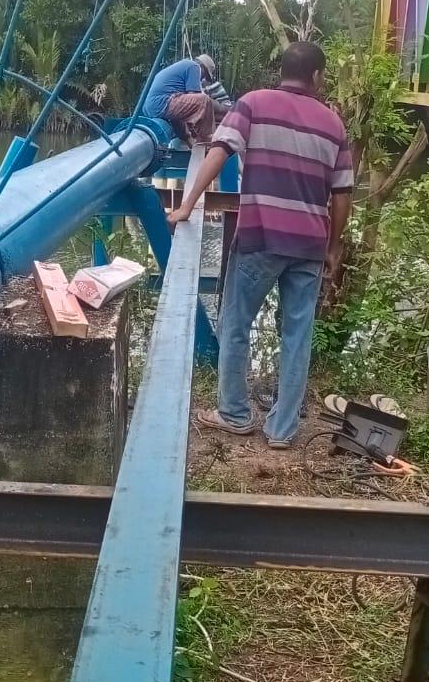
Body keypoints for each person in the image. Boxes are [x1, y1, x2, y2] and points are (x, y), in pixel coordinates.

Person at [167, 40, 353, 449]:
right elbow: (342, 194)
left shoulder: (252, 104)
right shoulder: (334, 124)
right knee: (297, 335)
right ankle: (282, 430)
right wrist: (334, 246)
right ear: (317, 76)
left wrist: (187, 205)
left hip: (260, 238)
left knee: (236, 325)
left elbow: (219, 152)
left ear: (281, 70)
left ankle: (234, 413)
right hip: (309, 244)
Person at [144, 53, 219, 144]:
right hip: (162, 102)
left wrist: (188, 136)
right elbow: (196, 102)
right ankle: (208, 141)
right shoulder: (194, 66)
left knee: (184, 114)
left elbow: (184, 110)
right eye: (205, 76)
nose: (202, 79)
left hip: (152, 107)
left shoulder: (183, 67)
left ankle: (191, 141)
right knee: (204, 100)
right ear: (203, 67)